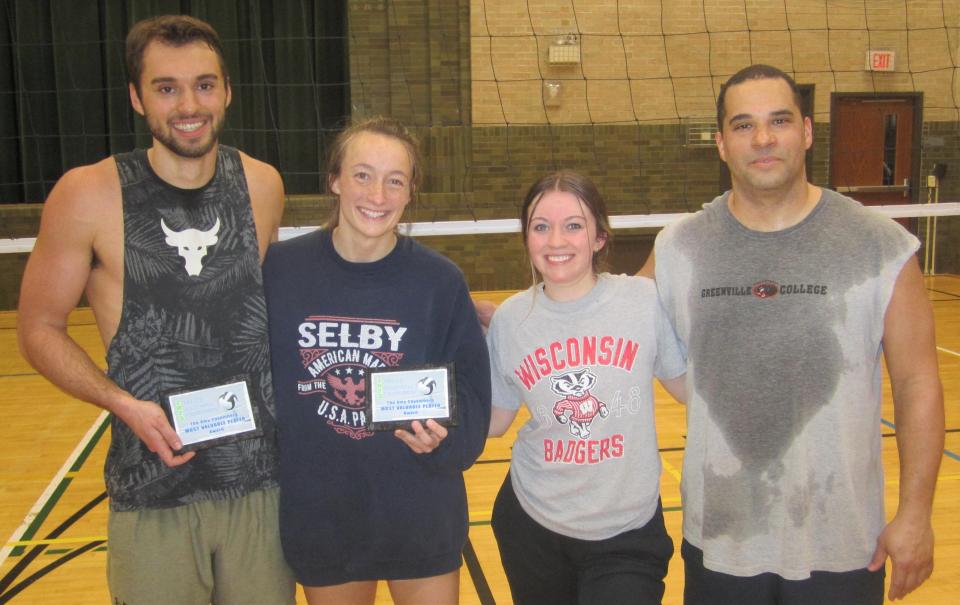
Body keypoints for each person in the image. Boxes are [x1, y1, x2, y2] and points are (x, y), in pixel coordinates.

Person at [17, 15, 294, 605]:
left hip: (259, 486)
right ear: (137, 98)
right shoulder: (86, 194)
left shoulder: (263, 185)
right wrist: (121, 403)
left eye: (203, 84)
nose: (188, 104)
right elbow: (39, 328)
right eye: (166, 87)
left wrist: (441, 297)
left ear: (226, 90)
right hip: (153, 486)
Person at [644, 64, 944, 603]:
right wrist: (511, 319)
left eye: (778, 120)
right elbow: (609, 320)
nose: (762, 138)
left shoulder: (881, 245)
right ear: (721, 143)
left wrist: (917, 514)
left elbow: (919, 383)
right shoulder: (679, 247)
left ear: (806, 132)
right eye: (743, 125)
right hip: (722, 542)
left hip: (844, 545)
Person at [262, 116, 491, 605]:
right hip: (323, 513)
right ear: (335, 180)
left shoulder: (439, 281)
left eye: (395, 180)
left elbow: (472, 397)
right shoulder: (280, 270)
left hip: (419, 509)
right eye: (363, 174)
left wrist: (444, 442)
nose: (378, 195)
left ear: (411, 193)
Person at [485, 171, 687, 605]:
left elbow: (688, 388)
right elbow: (495, 420)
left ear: (599, 237)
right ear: (527, 237)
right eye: (541, 226)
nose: (556, 240)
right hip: (532, 523)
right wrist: (418, 407)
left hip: (625, 535)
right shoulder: (511, 319)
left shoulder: (641, 302)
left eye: (573, 225)